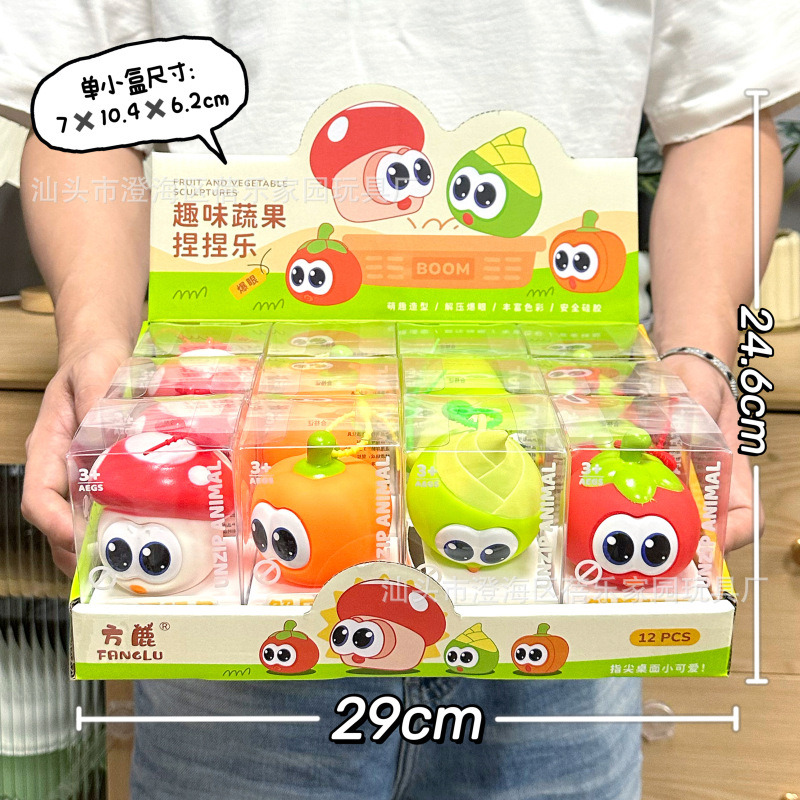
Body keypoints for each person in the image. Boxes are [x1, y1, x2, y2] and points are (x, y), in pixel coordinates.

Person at [1, 3, 795, 798]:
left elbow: (721, 106)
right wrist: (93, 340)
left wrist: (698, 360)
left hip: (563, 599)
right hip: (235, 579)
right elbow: (77, 115)